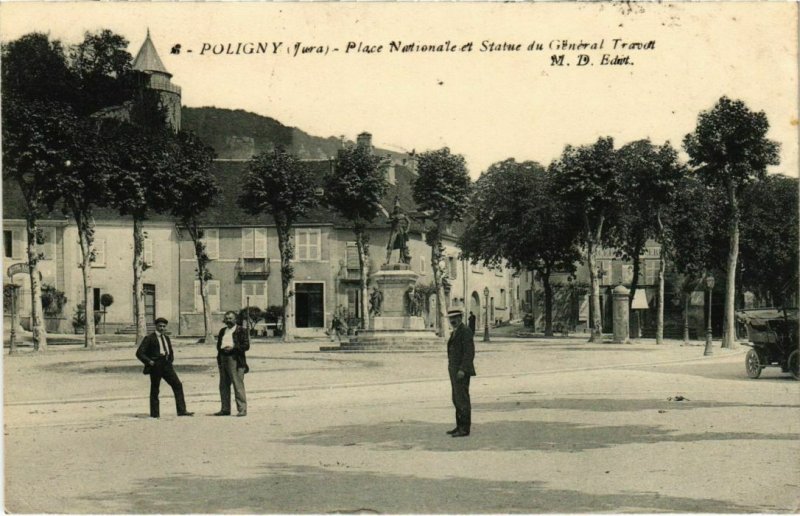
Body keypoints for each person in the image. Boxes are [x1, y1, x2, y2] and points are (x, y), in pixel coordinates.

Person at [136, 317, 194, 418]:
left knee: (178, 385)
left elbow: (170, 351)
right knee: (155, 389)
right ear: (156, 326)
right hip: (155, 365)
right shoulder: (149, 338)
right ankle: (155, 414)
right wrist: (150, 362)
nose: (162, 328)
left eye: (164, 326)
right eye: (160, 326)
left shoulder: (166, 338)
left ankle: (182, 410)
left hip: (166, 364)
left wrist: (170, 361)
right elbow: (139, 353)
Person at [445, 309, 476, 437]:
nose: (452, 321)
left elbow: (469, 352)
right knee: (456, 398)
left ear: (461, 318)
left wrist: (463, 369)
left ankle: (464, 428)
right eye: (451, 319)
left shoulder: (465, 331)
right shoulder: (455, 331)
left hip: (461, 371)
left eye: (455, 318)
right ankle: (459, 426)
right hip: (454, 370)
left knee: (462, 399)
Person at [215, 310, 250, 417]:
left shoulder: (241, 330)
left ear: (235, 319)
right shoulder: (222, 331)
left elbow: (246, 346)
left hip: (235, 359)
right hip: (223, 358)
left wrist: (233, 348)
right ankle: (225, 409)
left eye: (230, 318)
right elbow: (218, 345)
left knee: (237, 384)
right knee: (223, 385)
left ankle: (242, 409)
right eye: (227, 318)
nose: (228, 320)